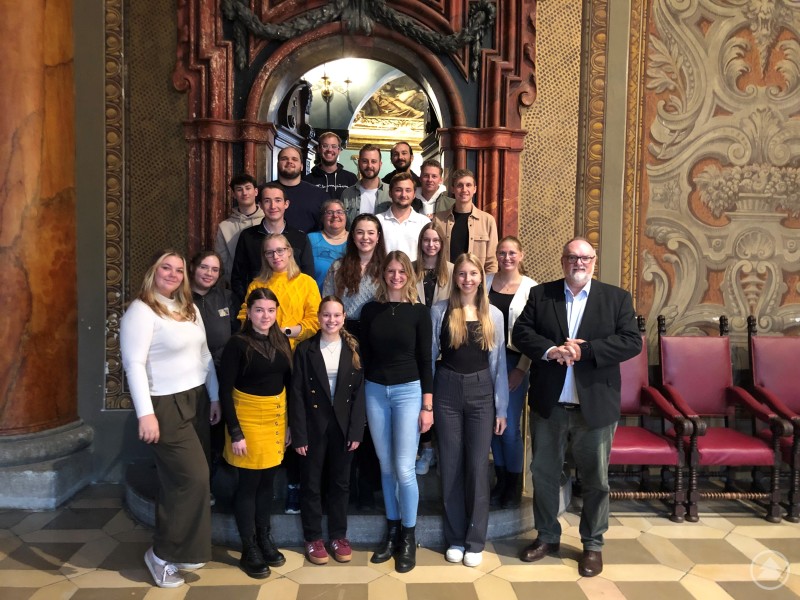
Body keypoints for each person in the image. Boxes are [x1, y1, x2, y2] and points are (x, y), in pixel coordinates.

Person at [512, 237, 642, 577]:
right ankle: (547, 536)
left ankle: (593, 545)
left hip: (595, 407)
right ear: (563, 261)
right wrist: (551, 350)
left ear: (594, 261)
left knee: (596, 480)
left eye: (584, 257)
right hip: (550, 405)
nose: (578, 263)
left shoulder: (616, 298)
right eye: (572, 257)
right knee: (543, 474)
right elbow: (521, 333)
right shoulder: (542, 295)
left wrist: (588, 351)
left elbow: (632, 342)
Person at [120, 250, 220, 589]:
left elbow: (204, 354)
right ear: (153, 270)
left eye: (178, 270)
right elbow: (133, 364)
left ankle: (183, 550)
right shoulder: (141, 311)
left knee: (179, 482)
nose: (173, 274)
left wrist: (214, 395)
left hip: (197, 399)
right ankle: (161, 555)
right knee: (194, 478)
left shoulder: (188, 308)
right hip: (165, 404)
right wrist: (145, 413)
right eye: (166, 267)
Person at [430, 252, 508, 567]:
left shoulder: (494, 315)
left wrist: (501, 408)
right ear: (455, 277)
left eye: (473, 273)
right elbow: (430, 357)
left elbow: (499, 365)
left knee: (477, 466)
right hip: (446, 390)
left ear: (481, 278)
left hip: (481, 392)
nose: (467, 279)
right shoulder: (439, 311)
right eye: (462, 273)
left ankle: (475, 541)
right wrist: (427, 401)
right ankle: (454, 538)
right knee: (450, 464)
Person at [360, 251, 433, 573]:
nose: (396, 276)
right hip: (375, 391)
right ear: (382, 274)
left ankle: (408, 536)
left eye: (401, 271)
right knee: (386, 466)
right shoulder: (370, 310)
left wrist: (427, 405)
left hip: (408, 392)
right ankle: (391, 532)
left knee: (404, 469)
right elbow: (364, 356)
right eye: (390, 271)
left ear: (409, 275)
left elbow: (426, 360)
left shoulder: (419, 312)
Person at [238, 233, 320, 514]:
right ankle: (262, 484)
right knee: (271, 421)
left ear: (290, 251)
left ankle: (294, 487)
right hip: (264, 362)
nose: (276, 256)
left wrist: (284, 332)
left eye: (280, 250)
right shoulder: (257, 284)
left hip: (297, 360)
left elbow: (314, 320)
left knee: (296, 422)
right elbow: (244, 316)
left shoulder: (306, 282)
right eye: (269, 252)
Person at [219, 288, 292, 579]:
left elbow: (288, 383)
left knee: (267, 484)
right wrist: (235, 432)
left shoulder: (282, 340)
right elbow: (225, 391)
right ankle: (248, 547)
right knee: (249, 485)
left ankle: (264, 538)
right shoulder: (237, 344)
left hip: (276, 417)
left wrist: (289, 425)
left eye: (271, 310)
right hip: (246, 420)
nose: (265, 316)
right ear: (248, 313)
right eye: (259, 310)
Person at [290, 296, 366, 565]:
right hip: (313, 426)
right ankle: (313, 537)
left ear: (344, 317)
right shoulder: (305, 349)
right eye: (326, 315)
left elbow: (359, 394)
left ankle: (338, 536)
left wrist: (356, 431)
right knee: (311, 483)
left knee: (340, 484)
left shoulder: (353, 348)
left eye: (336, 315)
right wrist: (299, 434)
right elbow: (297, 394)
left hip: (343, 427)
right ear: (319, 317)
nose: (331, 320)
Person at [322, 213, 386, 510]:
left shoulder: (386, 267)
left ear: (378, 236)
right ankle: (341, 485)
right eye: (360, 232)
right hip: (344, 338)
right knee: (344, 412)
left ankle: (368, 486)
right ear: (352, 236)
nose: (365, 237)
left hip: (376, 341)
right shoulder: (338, 267)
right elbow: (326, 303)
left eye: (371, 232)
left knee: (369, 412)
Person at [486, 237, 537, 508]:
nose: (507, 257)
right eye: (502, 253)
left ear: (521, 255)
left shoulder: (531, 288)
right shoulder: (485, 282)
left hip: (515, 362)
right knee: (492, 426)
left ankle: (514, 486)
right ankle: (501, 481)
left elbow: (535, 333)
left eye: (512, 253)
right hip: (486, 362)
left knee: (509, 428)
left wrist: (521, 369)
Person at [189, 250, 237, 496]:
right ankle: (199, 486)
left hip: (224, 372)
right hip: (193, 376)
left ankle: (219, 483)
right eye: (204, 267)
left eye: (215, 269)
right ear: (193, 267)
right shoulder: (181, 299)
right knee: (199, 429)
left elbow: (237, 332)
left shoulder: (226, 297)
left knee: (222, 428)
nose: (209, 273)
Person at [412, 222, 453, 475]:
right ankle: (426, 449)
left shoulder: (453, 270)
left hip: (445, 345)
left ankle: (441, 450)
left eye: (436, 240)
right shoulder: (410, 269)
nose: (431, 244)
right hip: (415, 343)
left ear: (442, 243)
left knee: (441, 401)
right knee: (421, 398)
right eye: (426, 240)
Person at [231, 182, 314, 305]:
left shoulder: (300, 238)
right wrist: (250, 306)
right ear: (260, 205)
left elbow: (308, 275)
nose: (273, 206)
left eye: (278, 200)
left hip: (293, 307)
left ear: (286, 204)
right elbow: (238, 278)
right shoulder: (248, 237)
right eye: (267, 201)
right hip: (257, 308)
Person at [433, 169, 498, 274]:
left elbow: (492, 261)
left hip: (474, 282)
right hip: (446, 280)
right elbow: (432, 255)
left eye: (468, 185)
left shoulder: (487, 221)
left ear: (474, 189)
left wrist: (487, 283)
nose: (464, 189)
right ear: (453, 189)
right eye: (460, 185)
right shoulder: (439, 219)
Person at [215, 173, 265, 283]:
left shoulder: (267, 220)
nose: (244, 193)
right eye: (239, 189)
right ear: (234, 194)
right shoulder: (225, 227)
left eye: (248, 188)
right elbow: (222, 261)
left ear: (256, 191)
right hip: (237, 284)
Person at [272, 146, 328, 233]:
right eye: (284, 159)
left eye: (294, 159)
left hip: (308, 241)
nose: (289, 161)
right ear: (278, 164)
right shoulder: (265, 191)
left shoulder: (319, 194)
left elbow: (327, 227)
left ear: (302, 166)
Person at [377, 172, 429, 261]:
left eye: (408, 190)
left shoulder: (424, 222)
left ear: (414, 194)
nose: (403, 195)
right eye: (398, 190)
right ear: (390, 193)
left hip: (415, 270)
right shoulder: (378, 221)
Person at [340, 144, 391, 227]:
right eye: (365, 161)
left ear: (380, 164)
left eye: (373, 161)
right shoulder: (347, 194)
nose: (369, 166)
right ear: (359, 163)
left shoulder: (390, 193)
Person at [308, 199, 348, 291]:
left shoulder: (355, 240)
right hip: (316, 296)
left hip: (348, 297)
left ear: (345, 216)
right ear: (323, 217)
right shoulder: (311, 239)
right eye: (329, 212)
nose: (335, 216)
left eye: (339, 212)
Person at [303, 132, 357, 199]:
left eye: (334, 146)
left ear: (339, 150)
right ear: (319, 149)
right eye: (325, 146)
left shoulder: (351, 179)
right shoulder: (307, 180)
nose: (329, 150)